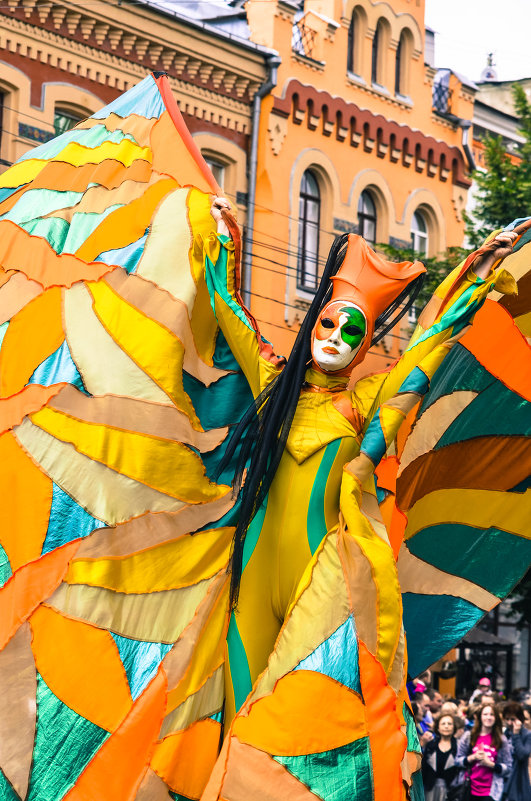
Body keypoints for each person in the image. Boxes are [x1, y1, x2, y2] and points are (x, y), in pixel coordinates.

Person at [456, 703, 512, 801]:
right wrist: (472, 757)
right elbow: (457, 761)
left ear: (496, 718)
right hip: (469, 787)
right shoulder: (469, 736)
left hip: (491, 791)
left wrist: (490, 764)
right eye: (485, 714)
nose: (488, 717)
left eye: (492, 714)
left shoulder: (502, 739)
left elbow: (508, 768)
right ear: (480, 717)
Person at [422, 713, 459, 801]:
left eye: (449, 724)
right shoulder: (431, 746)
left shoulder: (458, 747)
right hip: (430, 789)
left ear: (454, 727)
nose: (446, 726)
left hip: (451, 791)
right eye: (443, 724)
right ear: (438, 728)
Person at [503, 702, 531, 801]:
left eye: (513, 719)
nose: (510, 723)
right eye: (507, 719)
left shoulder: (527, 735)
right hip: (503, 778)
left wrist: (516, 735)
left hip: (518, 780)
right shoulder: (504, 734)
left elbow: (522, 755)